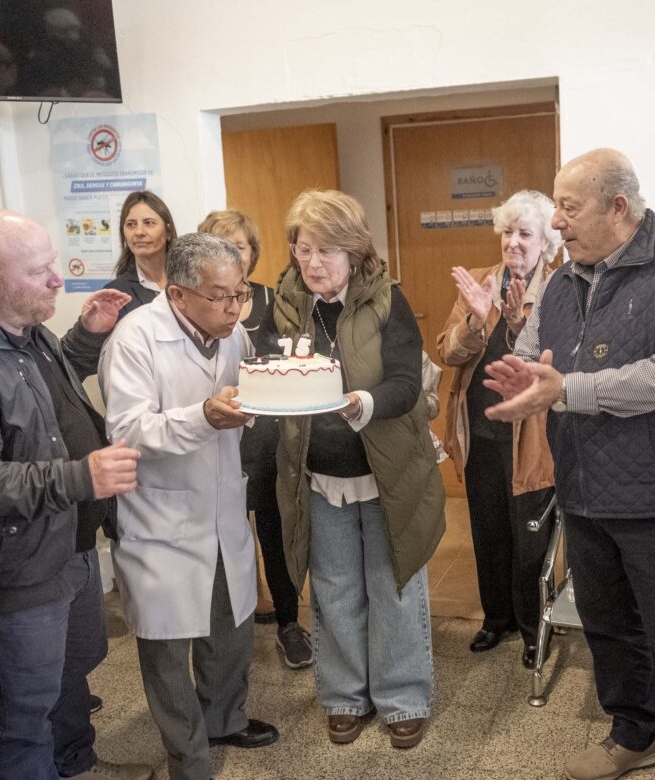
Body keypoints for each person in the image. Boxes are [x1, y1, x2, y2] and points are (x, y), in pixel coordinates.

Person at [484, 149, 655, 780]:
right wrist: (522, 384)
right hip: (583, 488)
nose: (557, 223)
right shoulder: (561, 279)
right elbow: (529, 350)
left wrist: (565, 390)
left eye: (568, 208)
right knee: (608, 630)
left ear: (618, 207)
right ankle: (635, 736)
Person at [0, 209, 149, 780]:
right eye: (40, 270)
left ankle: (77, 765)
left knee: (70, 678)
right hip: (14, 567)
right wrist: (81, 479)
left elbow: (42, 398)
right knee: (22, 715)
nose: (58, 280)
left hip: (65, 539)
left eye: (52, 264)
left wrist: (85, 336)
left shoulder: (25, 330)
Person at [99, 232, 278, 780]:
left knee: (230, 626)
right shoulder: (135, 339)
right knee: (168, 651)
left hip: (223, 507)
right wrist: (202, 417)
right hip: (161, 518)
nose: (234, 309)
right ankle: (188, 757)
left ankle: (225, 718)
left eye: (240, 294)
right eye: (220, 297)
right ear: (178, 295)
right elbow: (126, 430)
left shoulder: (231, 336)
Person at [273, 190, 445, 748]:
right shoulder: (286, 302)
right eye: (303, 249)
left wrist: (361, 404)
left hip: (386, 472)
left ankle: (402, 698)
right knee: (334, 587)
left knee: (392, 583)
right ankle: (345, 695)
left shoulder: (387, 301)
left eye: (326, 250)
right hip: (317, 476)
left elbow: (404, 384)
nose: (314, 263)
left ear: (354, 250)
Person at [438, 189, 560, 668]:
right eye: (508, 232)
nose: (512, 242)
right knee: (488, 534)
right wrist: (475, 315)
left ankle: (535, 630)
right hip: (481, 435)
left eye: (525, 234)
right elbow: (449, 352)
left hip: (529, 440)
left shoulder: (559, 288)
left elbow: (548, 362)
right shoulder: (483, 281)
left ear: (547, 242)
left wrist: (512, 325)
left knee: (530, 540)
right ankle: (497, 619)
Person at [197, 209, 312, 669]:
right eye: (220, 245)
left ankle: (288, 624)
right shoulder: (195, 305)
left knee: (274, 533)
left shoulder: (272, 299)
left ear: (253, 252)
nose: (232, 255)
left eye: (239, 246)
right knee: (222, 541)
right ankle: (225, 633)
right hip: (212, 436)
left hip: (265, 441)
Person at [105, 190, 177, 319]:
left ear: (169, 231)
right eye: (131, 224)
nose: (139, 232)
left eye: (149, 223)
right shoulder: (114, 294)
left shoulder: (192, 281)